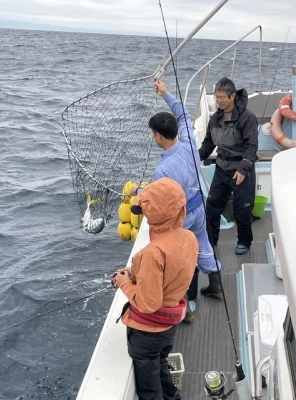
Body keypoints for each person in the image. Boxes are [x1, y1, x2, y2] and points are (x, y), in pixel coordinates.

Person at [131, 79, 223, 308]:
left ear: (158, 136)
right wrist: (165, 93)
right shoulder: (189, 141)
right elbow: (182, 114)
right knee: (203, 244)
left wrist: (137, 191)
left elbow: (157, 201)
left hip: (180, 216)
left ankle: (186, 301)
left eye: (154, 133)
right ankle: (216, 284)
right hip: (199, 206)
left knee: (181, 256)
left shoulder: (162, 171)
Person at [114, 177, 198, 400]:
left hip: (147, 334)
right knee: (161, 364)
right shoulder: (189, 238)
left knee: (150, 389)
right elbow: (172, 273)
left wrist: (125, 283)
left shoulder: (151, 254)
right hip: (169, 329)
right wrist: (135, 274)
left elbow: (147, 303)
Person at [198, 77, 258, 255]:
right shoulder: (215, 118)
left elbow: (252, 146)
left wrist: (243, 169)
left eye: (222, 97)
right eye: (216, 97)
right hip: (221, 167)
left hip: (241, 169)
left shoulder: (247, 118)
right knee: (212, 206)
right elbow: (209, 144)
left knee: (243, 209)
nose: (218, 101)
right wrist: (193, 158)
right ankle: (210, 240)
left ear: (232, 96)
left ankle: (244, 242)